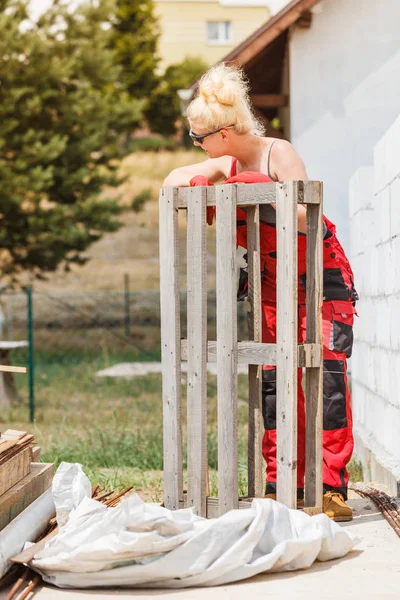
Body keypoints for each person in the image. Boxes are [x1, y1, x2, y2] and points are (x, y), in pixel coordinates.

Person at [163, 63, 358, 522]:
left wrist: (259, 192)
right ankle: (278, 484)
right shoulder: (226, 163)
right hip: (271, 286)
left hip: (320, 282)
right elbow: (172, 178)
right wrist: (201, 182)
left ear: (225, 132)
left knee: (326, 385)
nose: (197, 146)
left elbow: (308, 218)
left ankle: (330, 488)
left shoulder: (278, 154)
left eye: (199, 139)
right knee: (274, 384)